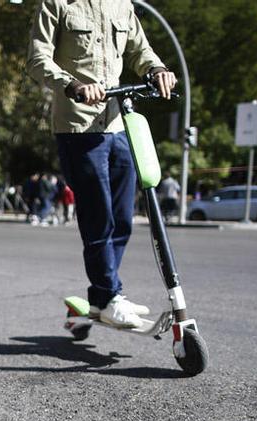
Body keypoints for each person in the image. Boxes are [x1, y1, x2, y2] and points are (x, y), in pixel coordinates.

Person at [27, 0, 177, 328]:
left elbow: (140, 50)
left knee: (123, 218)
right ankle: (109, 295)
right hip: (77, 127)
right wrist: (73, 84)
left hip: (118, 126)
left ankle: (102, 297)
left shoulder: (122, 5)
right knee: (99, 218)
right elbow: (37, 59)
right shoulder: (57, 4)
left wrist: (158, 69)